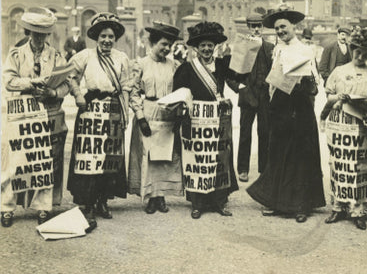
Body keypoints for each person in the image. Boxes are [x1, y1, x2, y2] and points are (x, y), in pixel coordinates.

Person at [247, 7, 325, 223]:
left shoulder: (306, 50)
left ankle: (301, 205)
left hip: (300, 108)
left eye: (284, 27)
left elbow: (315, 82)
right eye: (277, 28)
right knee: (278, 153)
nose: (280, 31)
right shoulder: (277, 50)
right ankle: (276, 202)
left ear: (294, 27)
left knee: (300, 156)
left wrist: (304, 81)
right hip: (280, 107)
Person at [2, 7, 69, 227]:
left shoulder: (56, 55)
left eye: (43, 33)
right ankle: (6, 207)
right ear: (28, 32)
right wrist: (31, 83)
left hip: (48, 113)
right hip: (22, 112)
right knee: (15, 162)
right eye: (35, 32)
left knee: (44, 162)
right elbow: (9, 80)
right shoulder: (16, 54)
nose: (39, 38)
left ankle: (43, 207)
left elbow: (66, 84)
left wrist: (52, 92)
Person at [68, 12, 130, 231]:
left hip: (112, 109)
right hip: (90, 111)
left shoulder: (122, 58)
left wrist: (125, 115)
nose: (107, 40)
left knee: (109, 158)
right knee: (89, 157)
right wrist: (78, 95)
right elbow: (70, 76)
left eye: (111, 37)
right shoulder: (85, 56)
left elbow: (126, 87)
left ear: (115, 39)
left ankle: (103, 200)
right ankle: (87, 203)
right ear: (96, 37)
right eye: (103, 36)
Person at [173, 21, 239, 219]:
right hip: (197, 122)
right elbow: (179, 94)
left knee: (219, 160)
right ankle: (197, 203)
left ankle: (220, 201)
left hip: (218, 122)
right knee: (197, 161)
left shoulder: (222, 65)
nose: (207, 49)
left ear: (215, 47)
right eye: (203, 46)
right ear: (196, 48)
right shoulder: (186, 68)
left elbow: (239, 76)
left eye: (210, 45)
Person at [323, 31, 367, 230]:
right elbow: (329, 95)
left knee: (359, 166)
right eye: (357, 53)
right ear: (352, 50)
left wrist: (366, 103)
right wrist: (338, 97)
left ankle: (358, 210)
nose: (360, 57)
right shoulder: (339, 71)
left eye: (365, 54)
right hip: (339, 122)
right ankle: (338, 206)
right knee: (340, 165)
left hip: (360, 125)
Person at [128, 21, 184, 213]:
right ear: (153, 43)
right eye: (163, 44)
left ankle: (161, 197)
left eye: (170, 45)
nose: (167, 49)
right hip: (148, 110)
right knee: (149, 155)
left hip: (168, 113)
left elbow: (180, 91)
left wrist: (178, 115)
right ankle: (151, 197)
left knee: (165, 156)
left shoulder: (175, 65)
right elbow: (133, 92)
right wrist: (140, 116)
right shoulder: (140, 64)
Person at [229, 13, 273, 183]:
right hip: (248, 96)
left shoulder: (270, 47)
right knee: (245, 133)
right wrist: (239, 88)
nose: (256, 29)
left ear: (262, 27)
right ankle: (242, 169)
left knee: (265, 132)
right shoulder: (242, 47)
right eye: (253, 26)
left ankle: (264, 168)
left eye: (259, 26)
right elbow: (230, 75)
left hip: (265, 96)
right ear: (248, 27)